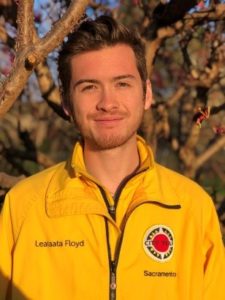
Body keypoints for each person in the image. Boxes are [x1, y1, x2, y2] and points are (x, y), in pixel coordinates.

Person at [0, 15, 225, 300]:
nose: (107, 103)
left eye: (122, 84)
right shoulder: (23, 208)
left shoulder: (194, 210)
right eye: (89, 87)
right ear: (67, 102)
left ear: (146, 94)